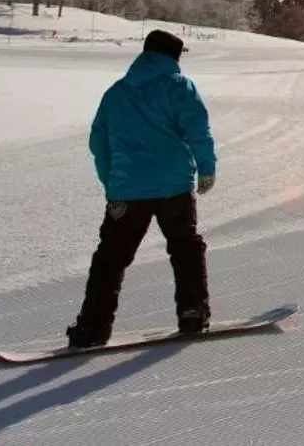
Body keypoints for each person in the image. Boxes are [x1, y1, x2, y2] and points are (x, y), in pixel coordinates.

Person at [66, 29, 218, 348]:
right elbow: (197, 130)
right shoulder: (179, 87)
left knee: (111, 257)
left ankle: (91, 329)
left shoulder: (116, 93)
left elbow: (98, 142)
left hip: (127, 191)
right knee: (185, 248)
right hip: (173, 187)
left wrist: (113, 182)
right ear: (171, 56)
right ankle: (192, 313)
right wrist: (206, 168)